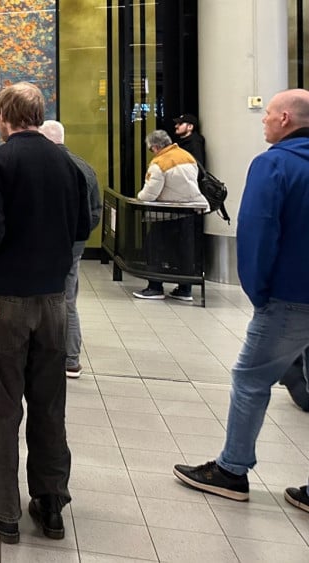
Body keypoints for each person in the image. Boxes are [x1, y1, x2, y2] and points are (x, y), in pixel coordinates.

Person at [172, 89, 309, 516]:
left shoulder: (275, 165)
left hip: (289, 296)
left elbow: (258, 231)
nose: (263, 120)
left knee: (251, 379)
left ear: (286, 118)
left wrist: (258, 290)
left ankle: (232, 470)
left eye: (267, 113)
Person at [0, 82, 90, 544]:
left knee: (2, 404)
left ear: (4, 117)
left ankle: (4, 510)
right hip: (55, 300)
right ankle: (51, 503)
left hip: (7, 299)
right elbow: (81, 225)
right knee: (49, 402)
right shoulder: (70, 164)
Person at [40, 120, 102, 379]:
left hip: (47, 243)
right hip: (74, 246)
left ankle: (47, 354)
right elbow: (95, 211)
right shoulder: (85, 167)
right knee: (68, 299)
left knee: (43, 299)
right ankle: (71, 360)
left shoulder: (46, 167)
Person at [131, 130, 209, 302]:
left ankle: (155, 287)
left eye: (151, 149)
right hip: (189, 211)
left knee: (154, 249)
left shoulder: (159, 163)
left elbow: (150, 194)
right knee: (184, 251)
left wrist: (139, 197)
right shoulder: (186, 156)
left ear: (156, 147)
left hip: (165, 215)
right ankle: (185, 289)